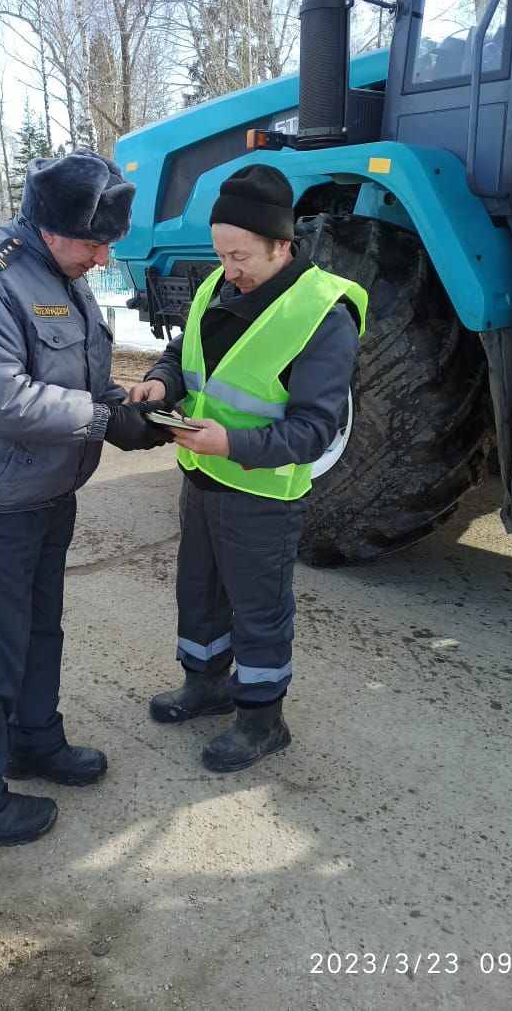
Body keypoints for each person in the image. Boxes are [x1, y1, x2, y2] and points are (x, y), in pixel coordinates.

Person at [0, 147, 169, 846]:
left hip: (48, 490)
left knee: (39, 632)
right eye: (94, 244)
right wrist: (99, 420)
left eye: (106, 246)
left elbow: (76, 371)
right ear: (51, 226)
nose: (101, 259)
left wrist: (125, 405)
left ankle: (34, 739)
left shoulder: (59, 269)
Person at [129, 164, 367, 773]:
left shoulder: (323, 313)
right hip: (202, 478)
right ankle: (204, 684)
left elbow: (315, 430)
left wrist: (230, 443)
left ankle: (263, 721)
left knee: (259, 609)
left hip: (262, 494)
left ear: (283, 246)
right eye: (221, 254)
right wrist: (159, 384)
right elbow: (182, 355)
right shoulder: (216, 286)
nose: (229, 269)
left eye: (241, 257)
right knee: (200, 591)